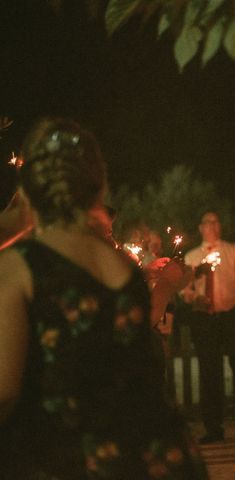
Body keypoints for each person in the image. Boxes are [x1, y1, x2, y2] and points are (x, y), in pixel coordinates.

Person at [0, 117, 207, 478]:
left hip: (68, 458)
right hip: (154, 453)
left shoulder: (21, 266)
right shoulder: (122, 265)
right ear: (97, 184)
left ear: (29, 190)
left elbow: (4, 388)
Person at [181, 211, 235, 444]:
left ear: (220, 227)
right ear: (200, 227)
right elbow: (185, 289)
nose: (211, 226)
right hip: (205, 319)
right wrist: (194, 298)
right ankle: (213, 428)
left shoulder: (233, 251)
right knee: (209, 374)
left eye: (215, 221)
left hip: (232, 317)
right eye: (206, 222)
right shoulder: (191, 257)